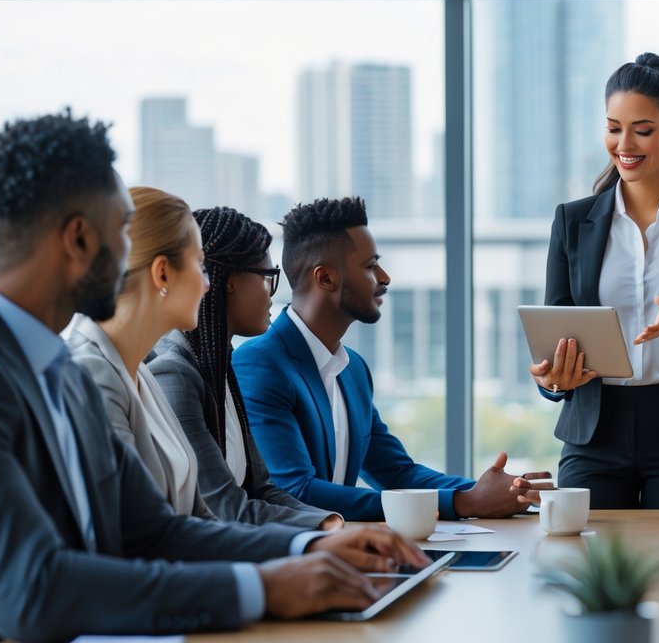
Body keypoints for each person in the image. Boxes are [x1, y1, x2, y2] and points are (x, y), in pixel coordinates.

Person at [0, 111, 427, 643]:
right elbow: (32, 588)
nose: (130, 261)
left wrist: (311, 545)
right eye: (120, 238)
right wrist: (266, 589)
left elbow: (154, 532)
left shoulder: (53, 365)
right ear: (80, 240)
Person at [513, 52, 659, 509]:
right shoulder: (572, 221)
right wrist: (552, 378)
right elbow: (553, 338)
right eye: (613, 127)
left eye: (643, 130)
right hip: (594, 433)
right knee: (591, 569)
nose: (625, 143)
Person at [234, 196, 548, 522]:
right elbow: (295, 492)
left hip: (346, 551)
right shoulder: (260, 364)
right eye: (370, 266)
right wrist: (465, 503)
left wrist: (498, 492)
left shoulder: (352, 369)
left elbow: (397, 474)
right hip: (292, 562)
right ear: (325, 278)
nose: (384, 278)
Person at [149, 205, 341, 529]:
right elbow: (226, 508)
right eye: (268, 277)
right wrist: (327, 535)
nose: (272, 294)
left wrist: (333, 525)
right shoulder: (175, 375)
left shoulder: (221, 368)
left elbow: (261, 489)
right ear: (230, 282)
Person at [67, 186, 218, 519]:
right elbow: (140, 532)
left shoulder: (142, 372)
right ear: (162, 272)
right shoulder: (89, 375)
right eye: (201, 265)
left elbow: (200, 517)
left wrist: (302, 549)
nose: (207, 283)